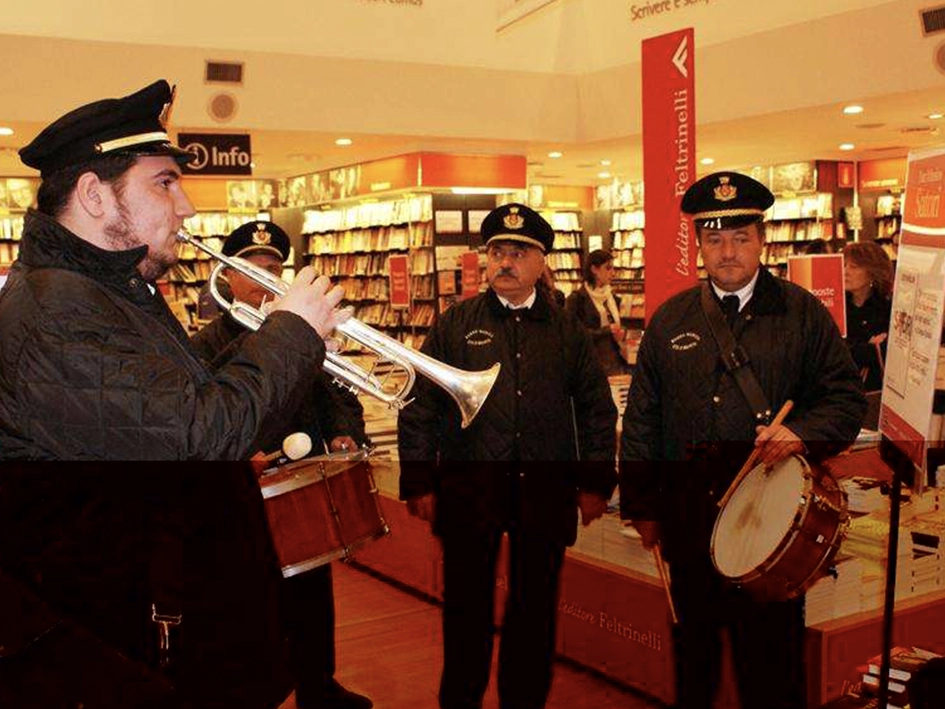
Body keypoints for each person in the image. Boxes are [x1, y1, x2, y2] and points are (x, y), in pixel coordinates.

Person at [0, 80, 348, 708]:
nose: (186, 206)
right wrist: (293, 331)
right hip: (127, 652)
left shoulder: (107, 290)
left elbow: (168, 422)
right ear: (92, 196)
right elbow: (200, 432)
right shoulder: (58, 310)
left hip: (166, 633)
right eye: (164, 183)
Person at [619, 172, 866, 709]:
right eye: (714, 239)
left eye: (740, 237)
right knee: (695, 664)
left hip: (771, 516)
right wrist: (641, 504)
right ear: (700, 245)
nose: (727, 251)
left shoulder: (802, 313)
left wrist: (800, 434)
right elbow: (643, 417)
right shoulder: (670, 319)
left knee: (771, 666)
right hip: (688, 514)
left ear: (762, 239)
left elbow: (845, 401)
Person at [398, 202, 618, 709]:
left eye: (519, 252)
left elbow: (595, 411)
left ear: (542, 262)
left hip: (544, 493)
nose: (505, 261)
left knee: (534, 610)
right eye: (497, 250)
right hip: (469, 492)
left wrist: (594, 482)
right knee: (464, 610)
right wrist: (419, 480)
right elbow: (421, 404)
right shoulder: (455, 324)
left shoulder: (567, 332)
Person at [190, 221, 372, 709]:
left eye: (275, 268)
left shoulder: (302, 334)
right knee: (253, 601)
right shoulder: (205, 345)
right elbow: (202, 418)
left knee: (313, 593)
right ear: (228, 277)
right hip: (245, 492)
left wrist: (344, 432)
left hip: (305, 483)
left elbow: (337, 391)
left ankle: (319, 684)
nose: (267, 277)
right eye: (254, 268)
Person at [564, 249, 627, 376]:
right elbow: (572, 334)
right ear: (594, 270)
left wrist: (620, 333)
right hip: (589, 363)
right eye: (608, 268)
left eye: (613, 268)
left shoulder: (610, 297)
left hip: (613, 358)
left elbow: (615, 325)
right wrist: (606, 331)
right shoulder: (576, 299)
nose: (613, 273)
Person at [843, 241, 894, 392]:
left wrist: (853, 346)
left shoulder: (886, 309)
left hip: (874, 391)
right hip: (840, 392)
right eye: (844, 265)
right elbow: (832, 353)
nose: (845, 271)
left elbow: (890, 354)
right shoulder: (836, 307)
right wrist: (870, 346)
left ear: (873, 272)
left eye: (854, 267)